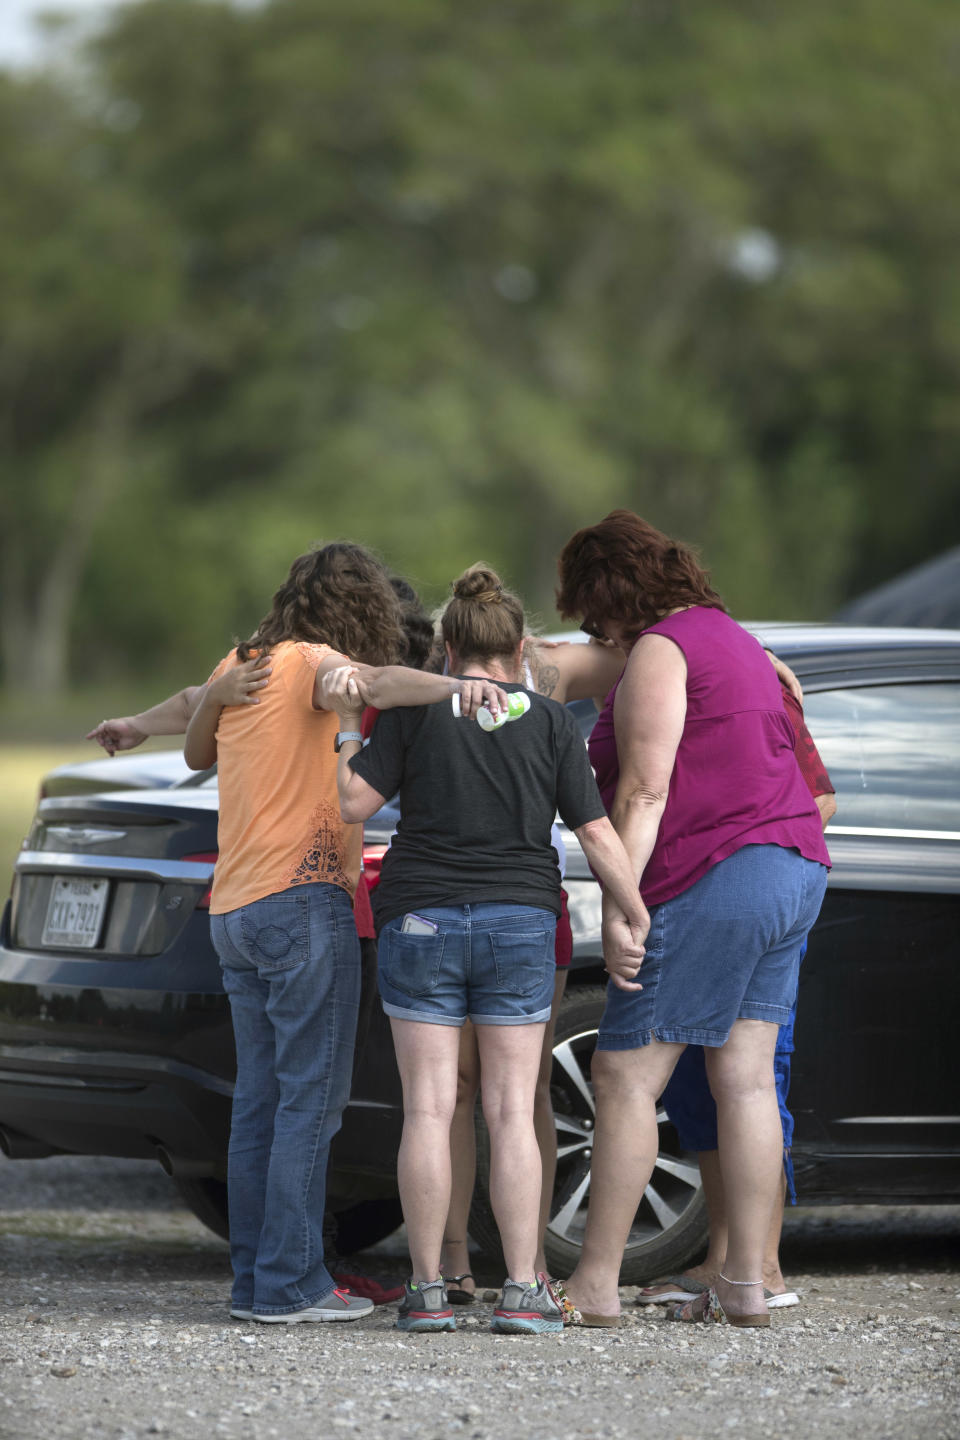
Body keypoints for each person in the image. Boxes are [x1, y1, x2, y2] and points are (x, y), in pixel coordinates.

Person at [181, 542, 508, 1326]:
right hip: (301, 901)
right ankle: (292, 1286)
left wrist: (215, 693)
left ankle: (254, 1285)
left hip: (234, 910)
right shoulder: (315, 663)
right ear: (354, 607)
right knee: (309, 1106)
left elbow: (196, 754)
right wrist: (459, 686)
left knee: (258, 1102)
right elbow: (374, 682)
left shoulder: (243, 661)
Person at [322, 563, 648, 1335]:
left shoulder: (412, 712)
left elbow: (351, 804)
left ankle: (430, 1289)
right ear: (520, 650)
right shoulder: (547, 721)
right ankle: (525, 1289)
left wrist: (345, 731)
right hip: (520, 926)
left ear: (446, 647)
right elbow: (598, 836)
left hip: (419, 923)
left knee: (430, 1110)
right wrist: (634, 912)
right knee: (509, 1111)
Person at [553, 511, 830, 1329]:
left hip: (718, 870)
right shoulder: (734, 640)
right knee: (743, 1074)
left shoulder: (661, 651)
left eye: (590, 610)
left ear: (610, 594)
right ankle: (745, 1281)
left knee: (625, 1075)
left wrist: (622, 906)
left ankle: (594, 1285)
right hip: (793, 864)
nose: (590, 628)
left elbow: (644, 789)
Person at [637, 682, 836, 1310]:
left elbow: (821, 798)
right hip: (700, 898)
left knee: (754, 1078)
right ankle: (726, 1258)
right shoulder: (657, 674)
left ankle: (763, 1266)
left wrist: (730, 855)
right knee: (703, 1082)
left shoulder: (760, 681)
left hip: (747, 891)